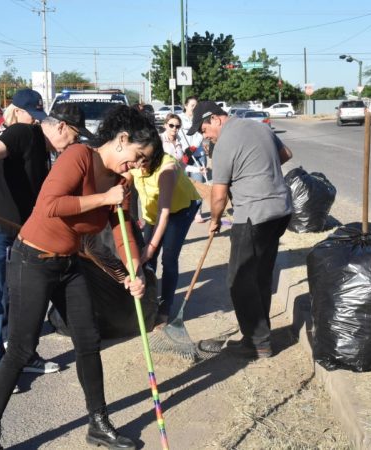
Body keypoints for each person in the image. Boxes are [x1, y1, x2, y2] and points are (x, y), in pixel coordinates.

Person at [0, 105, 162, 450]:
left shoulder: (120, 183)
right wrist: (105, 197)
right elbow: (50, 205)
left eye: (141, 163)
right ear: (121, 140)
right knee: (21, 349)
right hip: (33, 260)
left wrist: (136, 271)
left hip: (70, 264)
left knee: (88, 342)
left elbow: (122, 231)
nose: (135, 166)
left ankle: (98, 424)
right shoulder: (78, 156)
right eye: (136, 157)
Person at [0, 89, 71, 390]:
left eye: (37, 116)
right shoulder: (18, 131)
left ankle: (23, 356)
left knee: (18, 296)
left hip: (14, 228)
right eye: (70, 137)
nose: (70, 144)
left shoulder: (39, 145)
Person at [187, 100, 293, 360]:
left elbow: (219, 195)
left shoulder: (224, 144)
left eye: (203, 129)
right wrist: (260, 171)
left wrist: (214, 220)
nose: (205, 135)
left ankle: (257, 342)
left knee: (239, 279)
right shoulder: (259, 127)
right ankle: (258, 336)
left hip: (253, 214)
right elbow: (286, 154)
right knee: (260, 275)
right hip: (280, 210)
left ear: (215, 119)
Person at [126, 116, 202, 327]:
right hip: (152, 214)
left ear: (154, 155)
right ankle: (148, 306)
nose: (139, 166)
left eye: (145, 161)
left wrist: (150, 248)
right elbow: (124, 189)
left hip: (180, 210)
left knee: (167, 258)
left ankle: (166, 308)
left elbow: (164, 214)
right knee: (147, 261)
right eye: (136, 160)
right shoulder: (134, 162)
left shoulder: (167, 169)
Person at [178, 97, 209, 223]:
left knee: (199, 185)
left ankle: (197, 213)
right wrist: (185, 149)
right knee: (184, 185)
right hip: (184, 155)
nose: (194, 108)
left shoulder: (200, 118)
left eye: (196, 106)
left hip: (198, 154)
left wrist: (193, 147)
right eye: (192, 105)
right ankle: (185, 211)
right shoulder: (179, 118)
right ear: (185, 105)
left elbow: (201, 134)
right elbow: (178, 135)